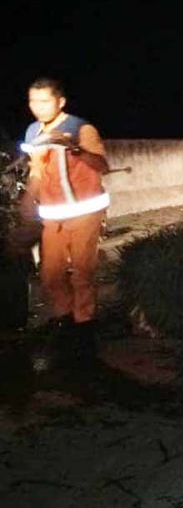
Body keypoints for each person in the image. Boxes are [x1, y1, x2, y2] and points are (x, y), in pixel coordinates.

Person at [19, 77, 110, 363]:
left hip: (84, 212)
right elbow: (36, 170)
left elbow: (102, 165)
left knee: (82, 273)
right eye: (33, 101)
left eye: (44, 101)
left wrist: (73, 148)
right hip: (53, 216)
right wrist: (27, 200)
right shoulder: (33, 131)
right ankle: (64, 318)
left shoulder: (81, 128)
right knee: (50, 273)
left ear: (60, 102)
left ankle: (84, 327)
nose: (38, 107)